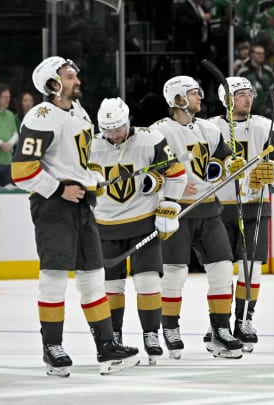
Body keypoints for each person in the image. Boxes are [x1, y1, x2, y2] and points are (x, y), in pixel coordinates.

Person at [11, 56, 139, 377]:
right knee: (53, 276)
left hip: (81, 204)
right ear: (54, 86)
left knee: (93, 276)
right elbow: (21, 171)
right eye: (69, 76)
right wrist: (58, 189)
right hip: (54, 206)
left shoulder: (79, 112)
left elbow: (82, 159)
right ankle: (51, 347)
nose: (77, 79)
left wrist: (92, 181)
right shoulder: (41, 116)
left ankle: (106, 346)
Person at [150, 75, 246, 359]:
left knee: (222, 268)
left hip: (208, 208)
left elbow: (222, 156)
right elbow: (150, 171)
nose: (200, 98)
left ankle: (220, 329)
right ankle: (169, 327)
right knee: (174, 273)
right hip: (175, 210)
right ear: (178, 99)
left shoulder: (208, 128)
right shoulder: (158, 132)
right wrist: (171, 185)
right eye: (194, 94)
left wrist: (233, 163)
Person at [89, 97, 188, 365]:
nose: (115, 135)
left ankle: (151, 334)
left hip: (143, 222)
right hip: (104, 226)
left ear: (128, 120)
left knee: (148, 283)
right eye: (108, 130)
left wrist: (168, 204)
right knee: (111, 287)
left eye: (119, 128)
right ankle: (115, 336)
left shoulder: (150, 139)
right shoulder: (90, 145)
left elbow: (177, 173)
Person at [208, 76, 274, 352]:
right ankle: (219, 322)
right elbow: (205, 166)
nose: (247, 98)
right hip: (219, 208)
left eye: (249, 93)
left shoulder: (265, 126)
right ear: (226, 99)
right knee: (219, 270)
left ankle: (245, 319)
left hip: (256, 204)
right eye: (240, 94)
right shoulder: (211, 128)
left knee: (250, 268)